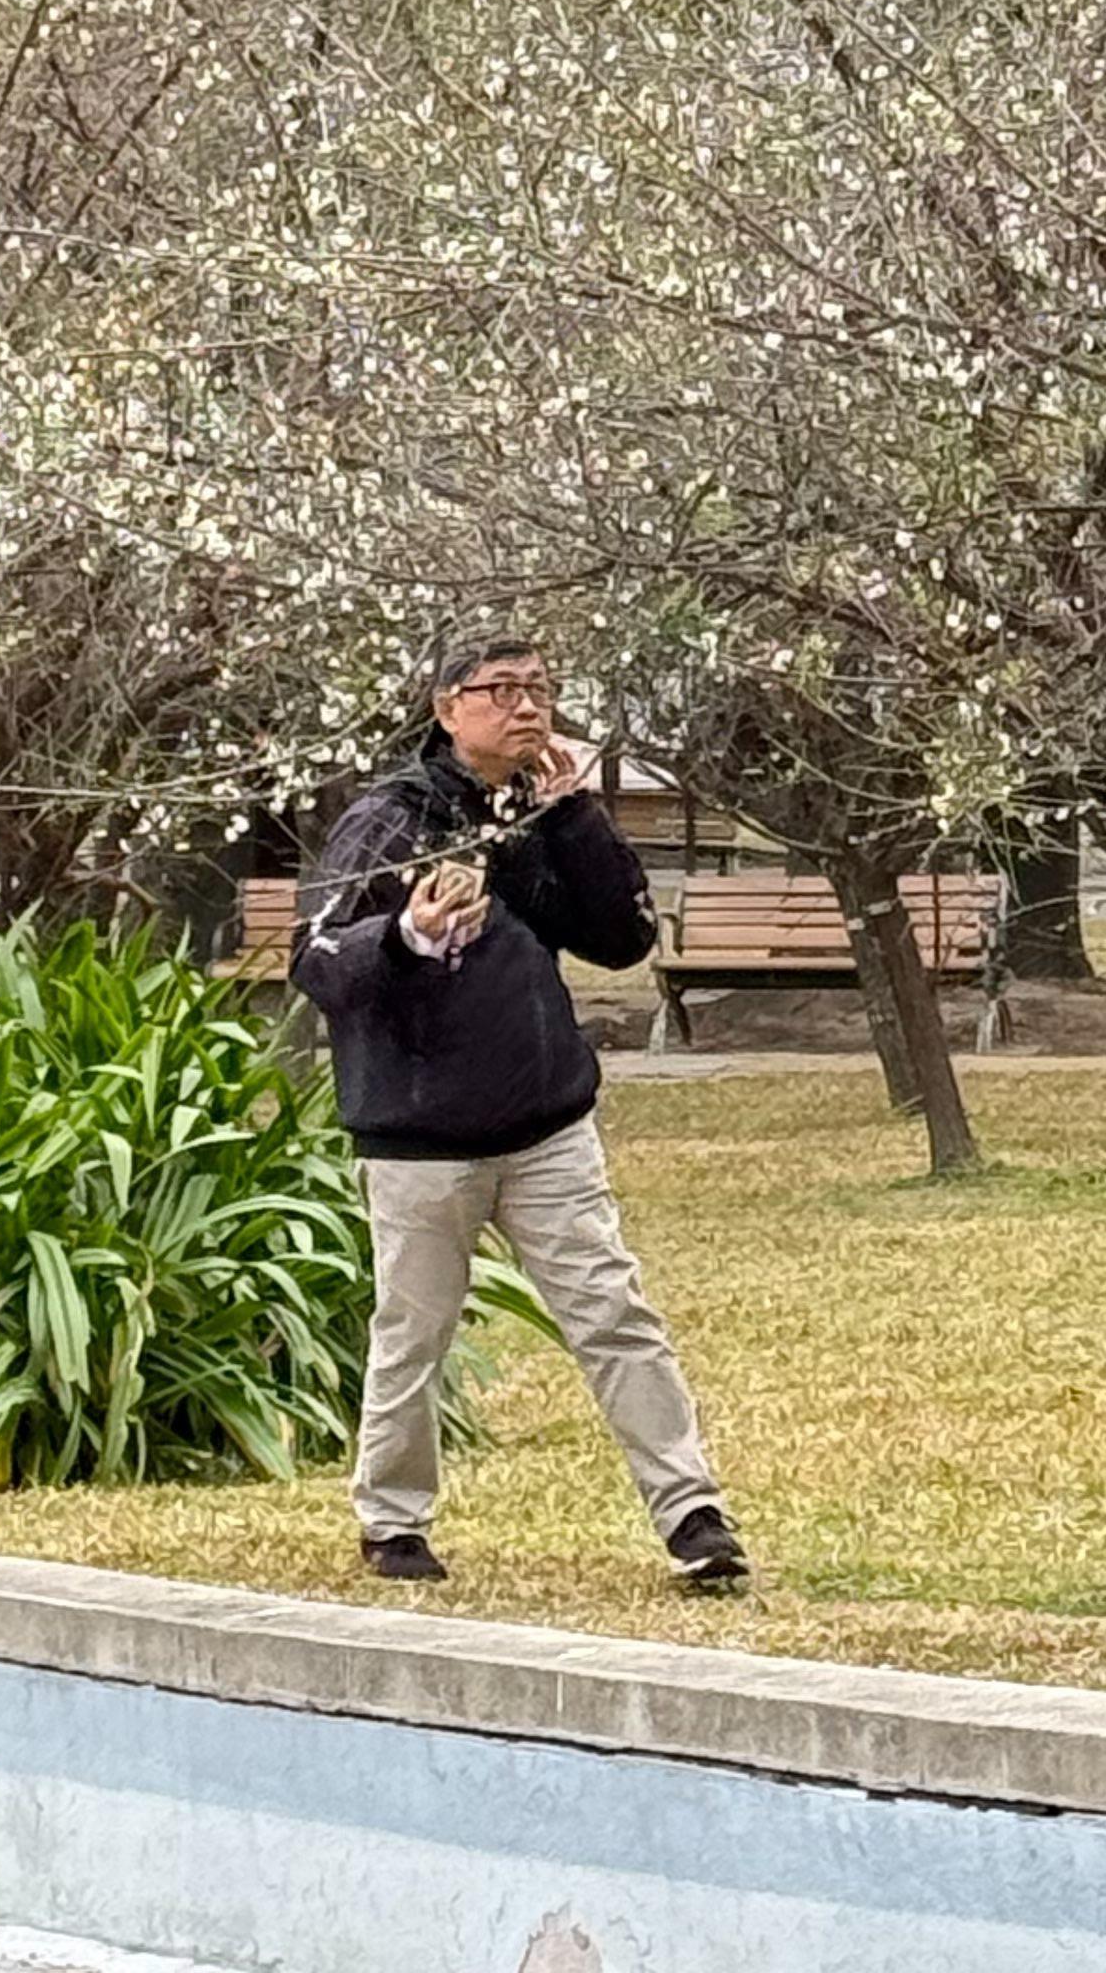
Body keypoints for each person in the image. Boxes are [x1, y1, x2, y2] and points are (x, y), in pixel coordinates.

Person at [295, 635, 748, 1593]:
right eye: (502, 691)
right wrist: (409, 935)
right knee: (413, 1332)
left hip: (545, 1127)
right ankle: (393, 1520)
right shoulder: (393, 821)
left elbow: (622, 940)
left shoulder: (537, 816)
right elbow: (321, 962)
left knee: (616, 1317)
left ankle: (693, 1514)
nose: (526, 708)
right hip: (420, 1137)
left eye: (541, 689)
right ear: (447, 706)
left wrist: (575, 812)